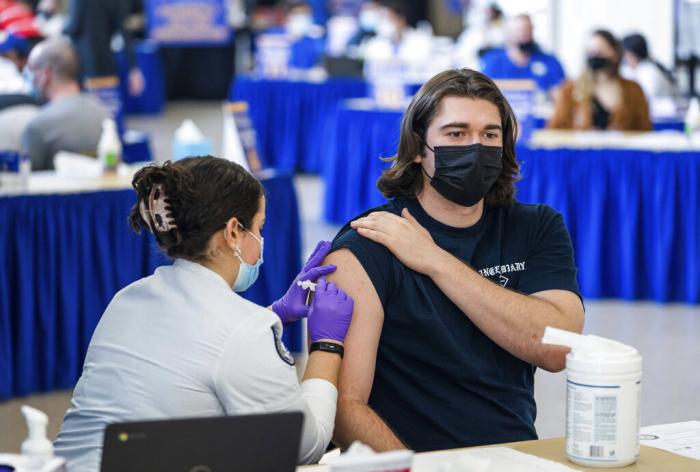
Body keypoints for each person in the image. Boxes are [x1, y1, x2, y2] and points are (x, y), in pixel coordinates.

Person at [325, 68, 584, 453]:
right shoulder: (369, 244)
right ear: (417, 148)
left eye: (490, 135)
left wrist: (435, 260)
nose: (476, 147)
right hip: (409, 460)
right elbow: (345, 409)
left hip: (514, 458)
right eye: (456, 133)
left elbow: (558, 348)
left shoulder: (535, 227)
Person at [54, 156, 355, 471]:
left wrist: (278, 313)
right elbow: (304, 447)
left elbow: (198, 348)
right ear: (233, 232)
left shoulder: (127, 298)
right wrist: (327, 344)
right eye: (259, 228)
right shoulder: (245, 331)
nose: (261, 241)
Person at [21, 37, 109, 170]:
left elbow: (26, 184)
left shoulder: (38, 127)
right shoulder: (103, 114)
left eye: (32, 71)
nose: (30, 79)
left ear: (45, 75)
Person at [548, 30, 651, 131]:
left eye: (601, 50)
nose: (596, 55)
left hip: (620, 147)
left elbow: (645, 129)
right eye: (592, 51)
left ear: (615, 53)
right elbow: (555, 128)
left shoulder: (633, 90)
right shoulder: (570, 89)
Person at [63, 0, 144, 95]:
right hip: (106, 63)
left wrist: (59, 28)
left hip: (83, 65)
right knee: (107, 105)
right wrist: (134, 68)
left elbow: (74, 27)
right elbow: (125, 33)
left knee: (85, 106)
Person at [480, 14, 565, 95]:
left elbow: (562, 95)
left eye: (529, 30)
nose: (525, 35)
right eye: (520, 31)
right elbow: (482, 92)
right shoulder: (492, 61)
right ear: (509, 34)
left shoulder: (549, 62)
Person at [621, 33, 676, 101]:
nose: (624, 59)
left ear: (633, 54)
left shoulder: (649, 72)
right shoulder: (640, 68)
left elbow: (645, 98)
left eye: (625, 54)